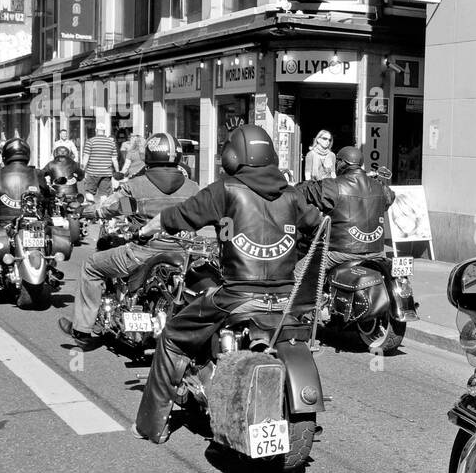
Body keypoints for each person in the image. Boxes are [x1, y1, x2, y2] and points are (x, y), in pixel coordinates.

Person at [132, 124, 325, 444]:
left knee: (172, 336)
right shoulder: (292, 194)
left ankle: (151, 425)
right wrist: (293, 253)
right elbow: (316, 231)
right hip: (286, 299)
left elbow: (182, 214)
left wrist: (149, 228)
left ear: (234, 155)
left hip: (237, 297)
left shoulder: (226, 189)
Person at [58, 133, 200, 348]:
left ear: (149, 155)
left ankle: (82, 329)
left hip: (142, 253)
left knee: (90, 267)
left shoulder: (137, 185)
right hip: (182, 254)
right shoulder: (192, 187)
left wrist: (88, 212)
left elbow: (110, 208)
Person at [0, 138, 53, 302]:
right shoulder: (38, 174)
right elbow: (49, 194)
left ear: (5, 155)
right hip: (34, 224)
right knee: (48, 238)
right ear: (27, 154)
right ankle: (51, 270)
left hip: (5, 224)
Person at [306, 145, 394, 269]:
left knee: (299, 272)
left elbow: (305, 191)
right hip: (377, 253)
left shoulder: (332, 186)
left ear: (342, 163)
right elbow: (390, 198)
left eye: (337, 162)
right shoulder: (381, 187)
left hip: (341, 253)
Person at [81, 123, 118, 199]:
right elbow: (114, 159)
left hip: (92, 172)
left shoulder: (90, 141)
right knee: (104, 194)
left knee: (89, 192)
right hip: (106, 173)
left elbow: (86, 157)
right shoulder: (111, 143)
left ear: (96, 130)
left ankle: (91, 207)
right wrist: (117, 172)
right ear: (104, 131)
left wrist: (82, 170)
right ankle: (102, 210)